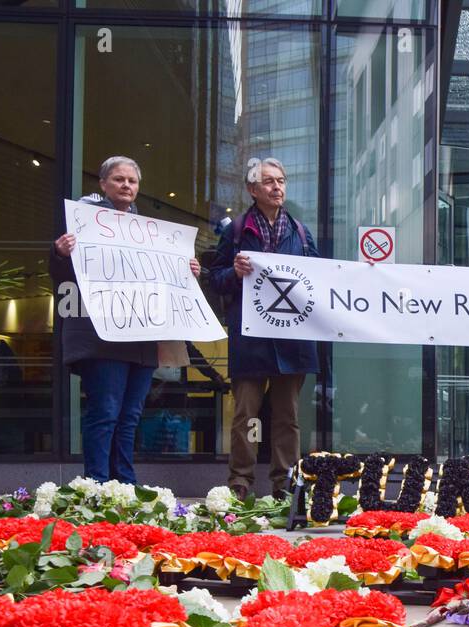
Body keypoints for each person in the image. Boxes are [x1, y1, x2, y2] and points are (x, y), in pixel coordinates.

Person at [51, 156, 200, 483]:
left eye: (132, 181)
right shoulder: (82, 224)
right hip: (101, 337)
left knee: (130, 416)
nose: (126, 186)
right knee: (104, 414)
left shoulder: (149, 233)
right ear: (103, 184)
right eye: (119, 179)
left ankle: (125, 486)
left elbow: (166, 281)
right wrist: (61, 254)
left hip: (142, 340)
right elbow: (65, 278)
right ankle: (97, 485)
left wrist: (187, 272)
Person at [208, 157, 319, 500]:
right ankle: (240, 484)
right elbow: (215, 278)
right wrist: (233, 273)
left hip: (291, 339)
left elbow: (320, 279)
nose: (277, 187)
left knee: (287, 417)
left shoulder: (301, 232)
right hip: (251, 339)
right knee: (245, 416)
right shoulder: (236, 231)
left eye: (281, 181)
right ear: (252, 189)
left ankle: (284, 485)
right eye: (269, 182)